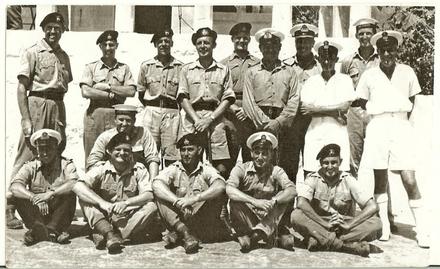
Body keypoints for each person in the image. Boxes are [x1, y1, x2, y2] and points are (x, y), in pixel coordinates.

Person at [354, 30, 429, 247]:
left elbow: (414, 100)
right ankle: (384, 226)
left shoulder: (407, 72)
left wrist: (405, 124)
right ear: (377, 51)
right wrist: (372, 119)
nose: (387, 53)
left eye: (391, 49)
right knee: (380, 178)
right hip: (378, 125)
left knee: (409, 179)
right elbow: (360, 102)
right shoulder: (369, 74)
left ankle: (421, 230)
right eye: (383, 50)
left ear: (397, 50)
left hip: (401, 125)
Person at [8, 12, 73, 229]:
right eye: (50, 27)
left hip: (57, 106)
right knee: (27, 153)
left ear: (62, 31)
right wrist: (26, 118)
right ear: (43, 29)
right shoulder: (33, 51)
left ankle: (52, 204)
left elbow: (64, 84)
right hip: (37, 103)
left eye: (58, 28)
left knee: (55, 152)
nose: (53, 31)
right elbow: (21, 87)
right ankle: (9, 206)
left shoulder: (64, 56)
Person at [291, 144, 381, 257]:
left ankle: (320, 240)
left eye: (334, 162)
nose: (330, 166)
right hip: (320, 223)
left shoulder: (348, 179)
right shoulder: (313, 178)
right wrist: (325, 223)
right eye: (325, 163)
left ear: (340, 162)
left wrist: (349, 225)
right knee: (296, 215)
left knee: (376, 223)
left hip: (343, 225)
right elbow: (301, 203)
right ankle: (347, 246)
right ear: (320, 163)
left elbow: (372, 206)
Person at [73, 132, 158, 253]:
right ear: (109, 151)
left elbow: (149, 194)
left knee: (152, 206)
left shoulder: (139, 168)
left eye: (126, 150)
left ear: (131, 152)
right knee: (84, 199)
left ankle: (107, 234)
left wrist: (126, 203)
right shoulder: (101, 168)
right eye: (118, 149)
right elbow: (78, 186)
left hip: (127, 218)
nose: (122, 153)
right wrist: (102, 203)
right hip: (104, 214)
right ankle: (108, 232)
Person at [152, 133, 230, 254]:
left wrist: (194, 199)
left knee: (216, 194)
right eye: (183, 150)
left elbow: (220, 186)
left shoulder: (206, 169)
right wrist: (177, 202)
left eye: (190, 149)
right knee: (159, 196)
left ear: (199, 150)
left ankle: (180, 234)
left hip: (199, 218)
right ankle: (186, 234)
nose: (186, 154)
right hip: (180, 216)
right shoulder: (174, 168)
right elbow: (156, 184)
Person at [177, 27, 236, 177]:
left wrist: (209, 119)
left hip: (215, 118)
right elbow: (182, 97)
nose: (203, 46)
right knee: (189, 160)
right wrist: (198, 120)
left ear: (214, 45)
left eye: (207, 43)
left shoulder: (223, 69)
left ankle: (217, 199)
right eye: (199, 43)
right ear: (195, 46)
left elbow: (228, 98)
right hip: (192, 119)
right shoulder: (186, 69)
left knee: (220, 167)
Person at [242, 28, 299, 180]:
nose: (270, 50)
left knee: (285, 164)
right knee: (258, 163)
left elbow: (294, 100)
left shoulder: (290, 72)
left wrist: (278, 122)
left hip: (283, 124)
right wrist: (266, 123)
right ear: (260, 48)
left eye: (274, 46)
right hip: (258, 123)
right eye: (266, 46)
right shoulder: (252, 72)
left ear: (279, 48)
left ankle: (284, 202)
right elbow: (248, 102)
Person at [226, 132, 296, 252]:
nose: (260, 157)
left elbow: (292, 190)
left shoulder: (276, 171)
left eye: (264, 153)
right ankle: (269, 235)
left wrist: (274, 200)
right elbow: (229, 189)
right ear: (251, 153)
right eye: (257, 152)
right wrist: (254, 201)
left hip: (269, 214)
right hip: (249, 216)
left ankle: (256, 236)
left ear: (271, 155)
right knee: (235, 200)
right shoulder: (241, 169)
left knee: (283, 197)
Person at [9, 129, 78, 246]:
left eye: (49, 148)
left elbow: (74, 183)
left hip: (59, 214)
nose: (45, 153)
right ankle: (46, 231)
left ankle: (46, 230)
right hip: (37, 213)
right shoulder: (30, 166)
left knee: (70, 193)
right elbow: (15, 186)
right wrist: (34, 197)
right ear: (36, 149)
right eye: (41, 149)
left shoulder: (66, 164)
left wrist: (50, 194)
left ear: (56, 148)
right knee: (18, 196)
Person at [301, 40, 355, 175]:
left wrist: (317, 109)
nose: (326, 62)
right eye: (323, 58)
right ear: (318, 59)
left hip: (337, 132)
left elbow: (345, 107)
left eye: (330, 58)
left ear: (336, 59)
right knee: (312, 171)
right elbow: (306, 109)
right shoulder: (311, 81)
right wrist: (334, 113)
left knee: (338, 173)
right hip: (315, 132)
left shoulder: (345, 80)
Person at [80, 30, 136, 160]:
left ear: (116, 45)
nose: (108, 48)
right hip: (95, 115)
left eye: (111, 44)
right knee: (92, 156)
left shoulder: (124, 68)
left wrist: (108, 87)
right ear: (100, 47)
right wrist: (112, 95)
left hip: (116, 116)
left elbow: (131, 91)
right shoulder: (91, 67)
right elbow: (86, 91)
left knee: (115, 154)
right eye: (104, 45)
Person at [137, 27, 183, 167]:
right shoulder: (147, 66)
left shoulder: (180, 67)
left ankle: (168, 185)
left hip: (172, 113)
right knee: (148, 152)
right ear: (155, 44)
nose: (164, 44)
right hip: (151, 111)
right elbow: (141, 92)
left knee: (171, 154)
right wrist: (152, 107)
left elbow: (183, 94)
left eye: (167, 41)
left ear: (172, 43)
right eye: (160, 41)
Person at [340, 18, 379, 177]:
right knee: (354, 155)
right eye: (361, 33)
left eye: (368, 33)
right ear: (356, 35)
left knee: (376, 154)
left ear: (374, 35)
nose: (364, 37)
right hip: (354, 111)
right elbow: (341, 86)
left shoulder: (381, 59)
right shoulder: (348, 61)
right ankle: (356, 197)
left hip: (375, 110)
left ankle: (377, 197)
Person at [282, 23, 321, 183]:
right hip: (291, 122)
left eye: (306, 41)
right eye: (299, 41)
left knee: (312, 164)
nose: (303, 45)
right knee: (288, 164)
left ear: (312, 43)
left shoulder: (320, 66)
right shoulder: (285, 65)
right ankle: (288, 205)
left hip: (313, 121)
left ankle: (309, 203)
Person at [86, 104, 160, 182]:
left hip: (137, 177)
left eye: (128, 120)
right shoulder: (105, 137)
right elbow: (93, 162)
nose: (124, 124)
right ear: (115, 120)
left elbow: (153, 159)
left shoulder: (143, 133)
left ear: (134, 121)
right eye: (121, 120)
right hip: (112, 178)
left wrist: (153, 183)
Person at [221, 22, 260, 164]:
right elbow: (219, 91)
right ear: (232, 39)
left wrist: (248, 110)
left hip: (250, 116)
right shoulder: (224, 64)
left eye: (245, 38)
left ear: (249, 39)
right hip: (230, 113)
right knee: (229, 156)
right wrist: (232, 107)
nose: (242, 41)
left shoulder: (258, 63)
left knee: (250, 156)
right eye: (238, 38)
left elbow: (260, 91)